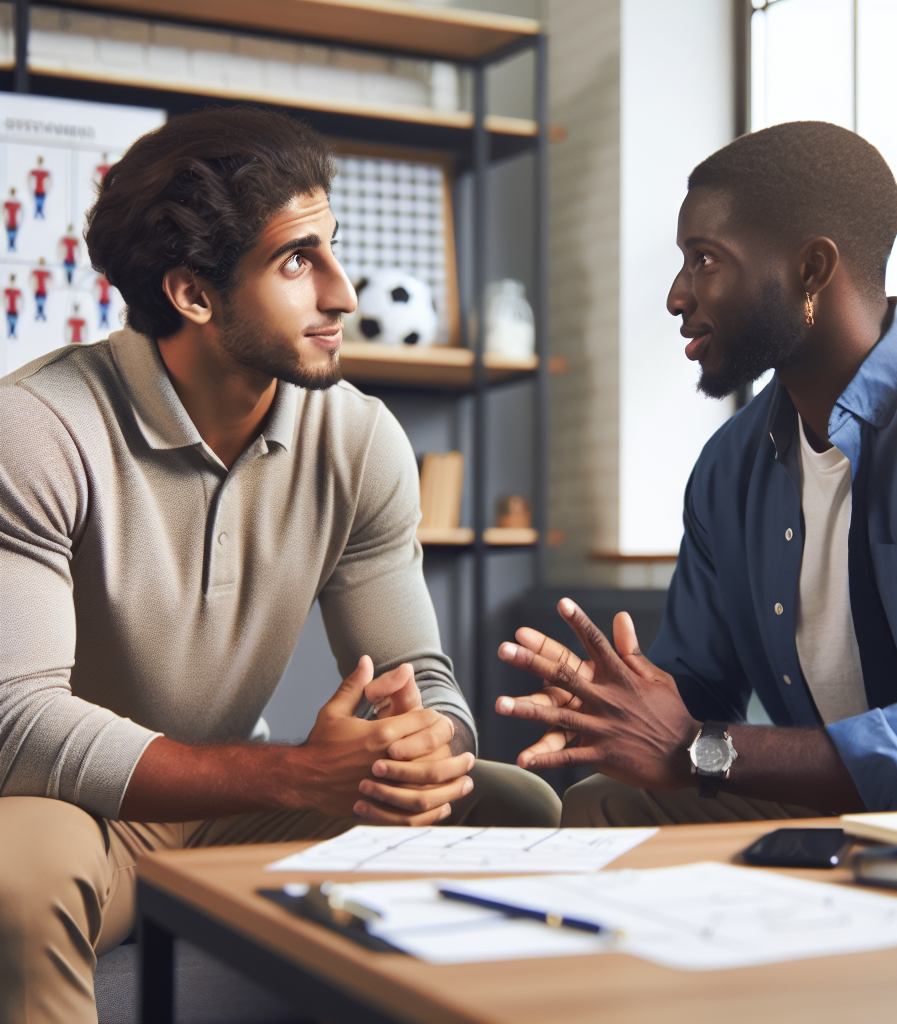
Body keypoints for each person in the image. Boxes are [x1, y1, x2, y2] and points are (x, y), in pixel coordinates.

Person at [0, 107, 558, 1024]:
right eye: (298, 261)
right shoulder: (37, 429)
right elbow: (21, 726)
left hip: (234, 812)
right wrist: (291, 775)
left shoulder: (360, 439)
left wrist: (429, 746)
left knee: (512, 807)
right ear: (193, 294)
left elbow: (423, 679)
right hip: (68, 813)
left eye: (332, 248)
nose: (342, 293)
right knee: (18, 875)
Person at [495, 120, 897, 826]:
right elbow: (697, 696)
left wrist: (693, 748)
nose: (677, 295)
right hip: (831, 805)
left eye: (705, 259)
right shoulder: (729, 466)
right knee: (603, 803)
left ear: (812, 270)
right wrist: (615, 705)